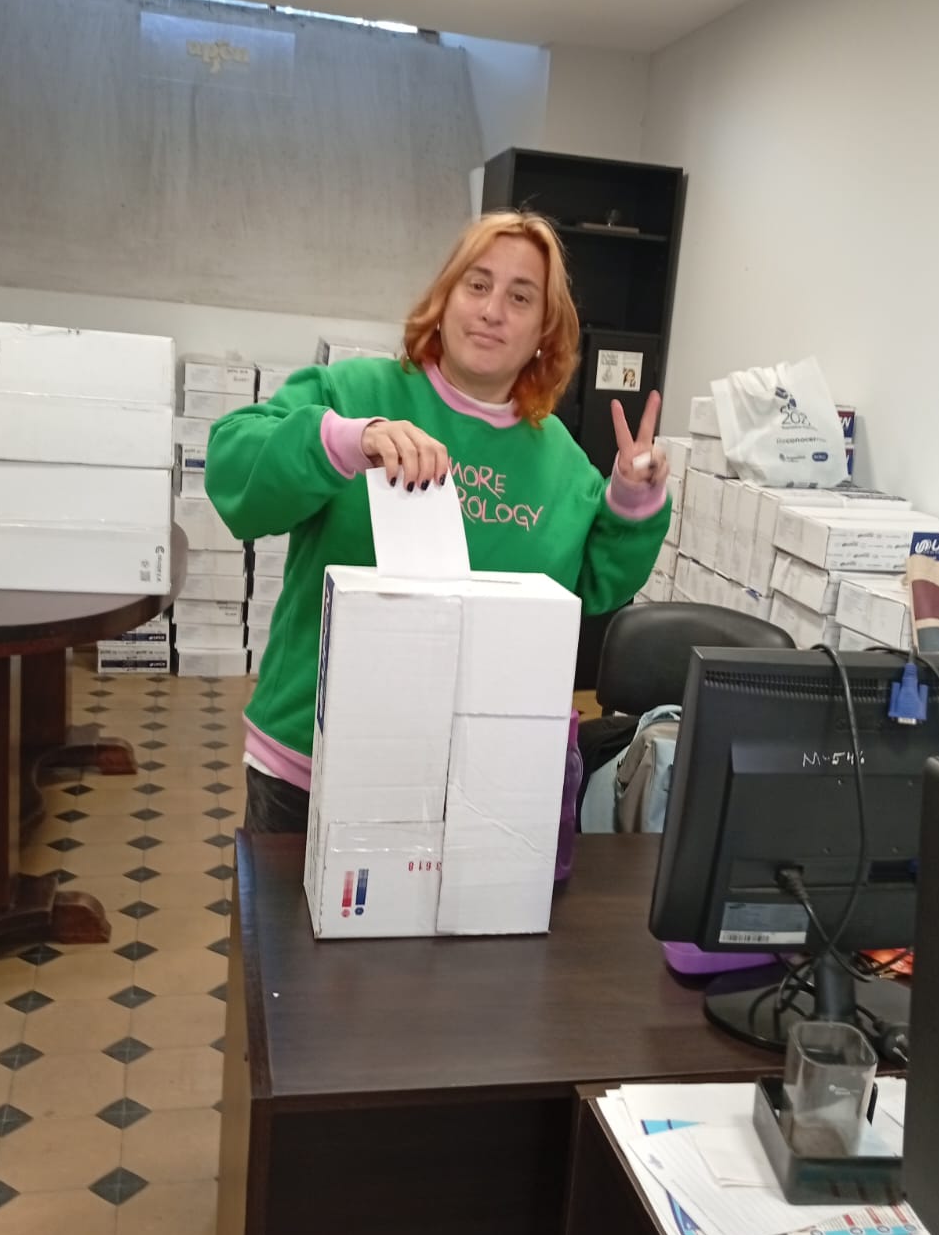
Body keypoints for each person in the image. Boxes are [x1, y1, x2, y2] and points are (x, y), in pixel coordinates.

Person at [205, 209, 671, 834]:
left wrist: (632, 499)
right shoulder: (351, 391)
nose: (492, 310)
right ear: (444, 299)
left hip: (477, 785)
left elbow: (595, 584)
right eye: (477, 285)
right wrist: (345, 441)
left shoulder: (558, 460)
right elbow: (234, 470)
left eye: (520, 297)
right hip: (313, 766)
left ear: (544, 330)